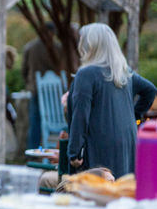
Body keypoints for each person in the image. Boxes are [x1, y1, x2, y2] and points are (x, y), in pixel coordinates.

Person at [67, 23, 157, 178]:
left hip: (99, 142)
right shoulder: (123, 72)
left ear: (90, 45)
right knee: (122, 191)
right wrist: (132, 115)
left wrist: (74, 152)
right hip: (128, 139)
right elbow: (150, 90)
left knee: (97, 193)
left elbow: (80, 116)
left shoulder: (86, 74)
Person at [21, 24, 62, 149]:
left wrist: (28, 83)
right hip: (55, 93)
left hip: (35, 89)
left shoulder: (30, 47)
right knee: (54, 120)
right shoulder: (58, 48)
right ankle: (54, 149)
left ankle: (32, 151)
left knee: (35, 121)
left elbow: (24, 70)